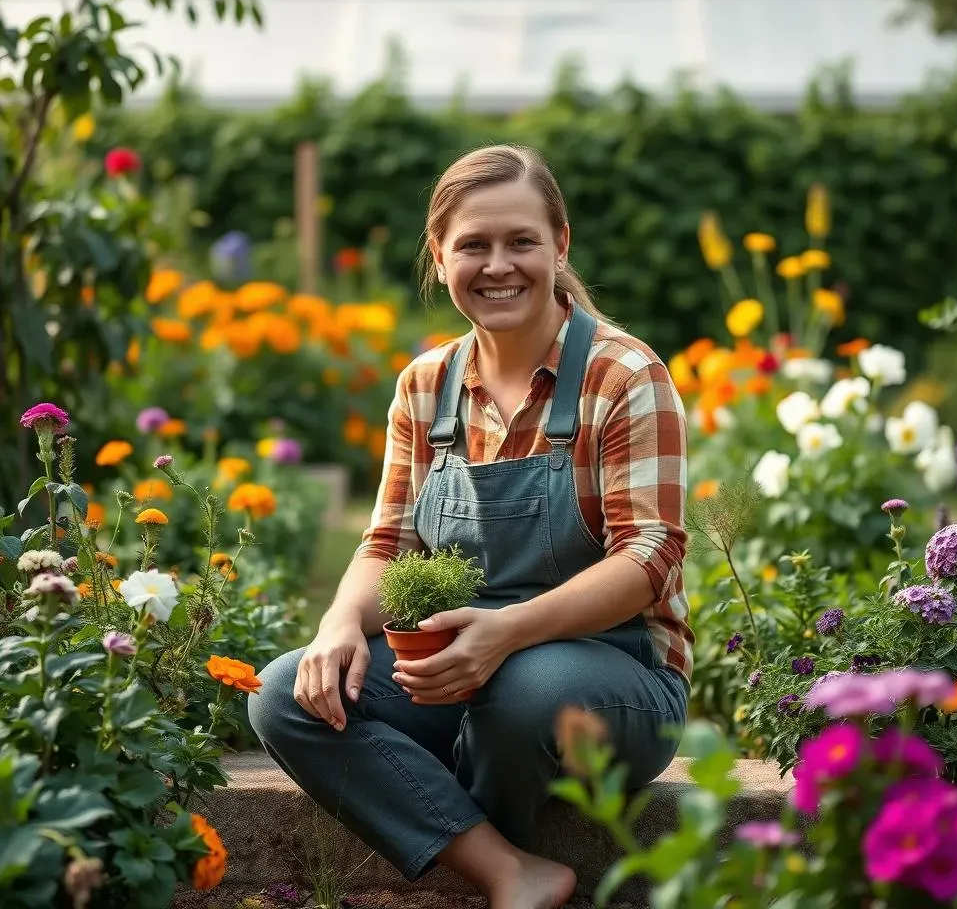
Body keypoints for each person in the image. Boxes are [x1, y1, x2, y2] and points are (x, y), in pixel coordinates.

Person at [248, 144, 693, 909]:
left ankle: (463, 798)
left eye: (521, 241)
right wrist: (340, 625)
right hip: (465, 671)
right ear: (439, 255)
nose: (498, 265)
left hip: (614, 682)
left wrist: (508, 632)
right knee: (287, 691)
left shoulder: (624, 376)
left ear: (560, 243)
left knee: (522, 687)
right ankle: (507, 873)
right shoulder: (426, 386)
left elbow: (649, 556)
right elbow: (389, 541)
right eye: (473, 246)